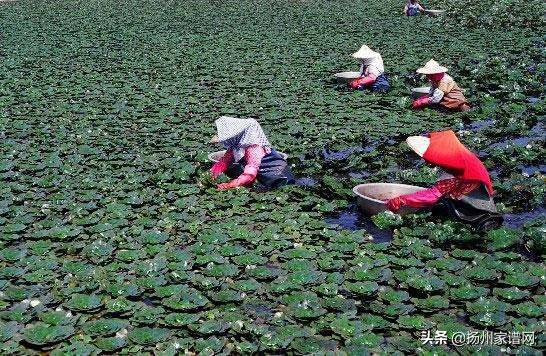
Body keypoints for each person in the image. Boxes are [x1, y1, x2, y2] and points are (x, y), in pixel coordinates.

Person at [386, 130, 503, 231]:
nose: (427, 162)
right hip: (480, 196)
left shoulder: (456, 173)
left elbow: (432, 196)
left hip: (476, 212)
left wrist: (401, 200)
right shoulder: (465, 158)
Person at [210, 116, 295, 190]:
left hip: (278, 179)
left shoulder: (254, 149)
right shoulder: (236, 147)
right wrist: (210, 175)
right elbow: (224, 162)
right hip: (263, 176)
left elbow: (250, 174)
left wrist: (229, 185)